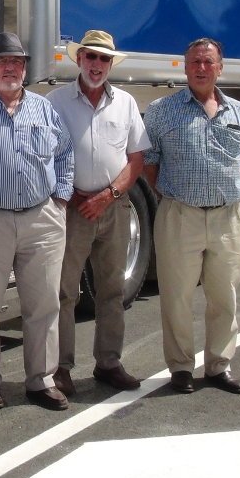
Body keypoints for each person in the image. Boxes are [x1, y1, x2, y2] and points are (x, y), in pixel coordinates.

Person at [0, 31, 75, 411]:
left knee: (43, 304)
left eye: (18, 62)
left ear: (25, 69)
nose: (10, 68)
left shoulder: (44, 108)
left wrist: (61, 199)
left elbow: (65, 152)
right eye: (2, 62)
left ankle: (41, 380)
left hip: (42, 217)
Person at [140, 37, 240, 396]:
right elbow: (151, 164)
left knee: (225, 297)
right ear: (185, 68)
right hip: (180, 215)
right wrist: (177, 198)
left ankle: (219, 365)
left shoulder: (239, 113)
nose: (201, 68)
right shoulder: (162, 110)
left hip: (227, 218)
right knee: (177, 297)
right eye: (194, 63)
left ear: (220, 67)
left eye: (208, 62)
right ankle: (181, 367)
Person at [46, 30, 150, 396]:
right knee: (64, 291)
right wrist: (75, 196)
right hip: (72, 210)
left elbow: (136, 158)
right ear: (79, 59)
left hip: (114, 207)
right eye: (91, 57)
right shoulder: (56, 102)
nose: (97, 65)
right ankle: (60, 368)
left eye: (104, 59)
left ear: (110, 64)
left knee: (112, 289)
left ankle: (109, 362)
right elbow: (48, 155)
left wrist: (108, 195)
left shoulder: (124, 102)